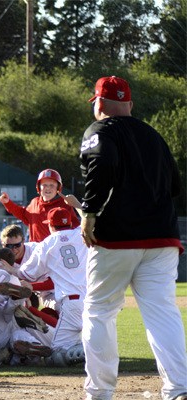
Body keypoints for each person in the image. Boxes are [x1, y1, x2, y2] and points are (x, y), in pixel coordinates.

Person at [79, 76, 186, 400]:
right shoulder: (153, 135)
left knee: (99, 311)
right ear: (130, 105)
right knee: (162, 312)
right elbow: (175, 186)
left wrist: (90, 212)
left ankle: (99, 393)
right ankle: (179, 387)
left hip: (115, 239)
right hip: (162, 239)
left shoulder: (99, 131)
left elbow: (101, 165)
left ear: (99, 103)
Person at [0, 207, 87, 366]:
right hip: (95, 298)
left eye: (16, 245)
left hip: (69, 300)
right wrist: (79, 207)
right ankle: (93, 351)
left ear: (50, 226)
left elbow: (26, 274)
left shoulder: (47, 243)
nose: (13, 249)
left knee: (56, 354)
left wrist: (11, 270)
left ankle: (85, 351)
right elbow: (92, 220)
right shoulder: (81, 233)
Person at [0, 169, 79, 242]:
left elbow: (76, 229)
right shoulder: (34, 202)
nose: (48, 188)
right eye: (44, 185)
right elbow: (23, 215)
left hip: (56, 252)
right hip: (37, 251)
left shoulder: (65, 204)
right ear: (39, 188)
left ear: (58, 188)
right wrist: (8, 203)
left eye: (52, 185)